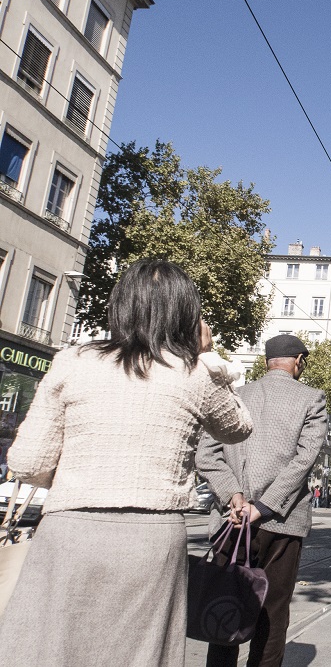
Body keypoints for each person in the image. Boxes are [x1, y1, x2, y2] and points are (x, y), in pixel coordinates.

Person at [0, 259, 253, 666]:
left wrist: (81, 477)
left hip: (68, 531)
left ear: (120, 305)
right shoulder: (193, 373)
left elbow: (27, 461)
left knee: (50, 648)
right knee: (140, 651)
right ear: (186, 314)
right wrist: (207, 357)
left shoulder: (73, 361)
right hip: (151, 539)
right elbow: (239, 427)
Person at [197, 334, 328, 667]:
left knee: (224, 605)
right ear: (299, 361)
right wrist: (265, 506)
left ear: (267, 361)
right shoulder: (312, 399)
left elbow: (207, 455)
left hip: (232, 519)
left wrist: (234, 496)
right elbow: (304, 459)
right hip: (281, 524)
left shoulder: (234, 396)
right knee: (272, 613)